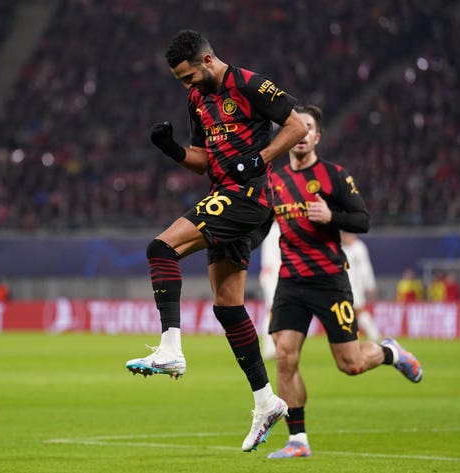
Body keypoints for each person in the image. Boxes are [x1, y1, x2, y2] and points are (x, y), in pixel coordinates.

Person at [124, 30, 307, 453]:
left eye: (189, 77)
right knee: (227, 307)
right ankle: (266, 401)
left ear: (207, 61)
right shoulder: (196, 100)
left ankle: (171, 348)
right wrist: (171, 149)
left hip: (247, 197)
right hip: (223, 195)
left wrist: (258, 158)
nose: (186, 86)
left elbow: (295, 126)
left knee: (161, 248)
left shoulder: (250, 84)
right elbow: (204, 159)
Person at [261, 105, 423, 459]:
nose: (302, 134)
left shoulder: (333, 176)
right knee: (285, 357)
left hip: (329, 281)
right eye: (296, 128)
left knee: (349, 364)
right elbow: (262, 225)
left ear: (317, 137)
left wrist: (331, 215)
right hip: (290, 282)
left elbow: (362, 220)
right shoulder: (274, 180)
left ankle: (390, 352)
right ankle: (298, 440)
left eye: (308, 129)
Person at [340, 232, 381, 341]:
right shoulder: (341, 248)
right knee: (348, 311)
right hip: (343, 285)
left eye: (345, 235)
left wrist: (370, 285)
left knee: (359, 310)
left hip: (356, 286)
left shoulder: (359, 248)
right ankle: (350, 336)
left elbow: (366, 267)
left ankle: (374, 334)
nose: (343, 238)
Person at [259, 220, 280, 359]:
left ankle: (275, 346)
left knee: (276, 312)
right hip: (272, 275)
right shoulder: (273, 230)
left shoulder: (276, 228)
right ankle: (269, 347)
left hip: (279, 275)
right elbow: (269, 259)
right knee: (272, 311)